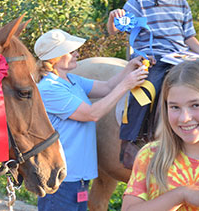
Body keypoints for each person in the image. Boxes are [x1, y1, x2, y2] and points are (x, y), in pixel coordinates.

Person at [107, 0, 199, 168]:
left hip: (182, 57)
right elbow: (115, 30)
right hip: (153, 59)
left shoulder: (181, 2)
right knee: (148, 88)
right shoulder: (138, 2)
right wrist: (113, 18)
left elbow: (188, 38)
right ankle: (133, 142)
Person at [34, 29, 148, 211]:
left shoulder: (71, 80)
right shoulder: (49, 88)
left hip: (78, 176)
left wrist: (128, 69)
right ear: (55, 57)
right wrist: (127, 84)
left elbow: (108, 86)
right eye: (71, 52)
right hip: (63, 179)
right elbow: (92, 113)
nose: (77, 54)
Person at [122, 61, 199, 211]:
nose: (184, 118)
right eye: (175, 107)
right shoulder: (151, 155)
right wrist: (181, 195)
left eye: (195, 105)